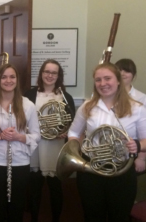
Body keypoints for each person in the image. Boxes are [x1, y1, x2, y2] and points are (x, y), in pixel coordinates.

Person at [68, 63, 146, 222]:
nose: (103, 84)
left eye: (107, 78)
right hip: (91, 170)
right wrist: (76, 149)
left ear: (118, 80)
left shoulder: (137, 108)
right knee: (92, 215)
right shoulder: (87, 106)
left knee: (119, 216)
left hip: (122, 171)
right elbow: (74, 132)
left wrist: (137, 145)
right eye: (98, 80)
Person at [0, 63, 40, 222]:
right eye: (4, 77)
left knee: (17, 205)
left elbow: (36, 135)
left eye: (12, 76)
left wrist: (19, 137)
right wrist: (0, 136)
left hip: (20, 162)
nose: (8, 80)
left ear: (17, 80)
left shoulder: (28, 105)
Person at [24, 59, 75, 222]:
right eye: (47, 72)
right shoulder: (30, 94)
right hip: (36, 146)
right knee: (34, 187)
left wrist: (65, 131)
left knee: (55, 187)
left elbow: (72, 121)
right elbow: (22, 119)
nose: (50, 75)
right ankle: (33, 218)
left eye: (54, 73)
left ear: (59, 75)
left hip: (56, 146)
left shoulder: (65, 96)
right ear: (41, 73)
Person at [115, 58, 146, 173]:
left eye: (127, 71)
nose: (122, 73)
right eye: (119, 70)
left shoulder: (142, 98)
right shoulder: (107, 94)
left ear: (133, 75)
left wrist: (141, 158)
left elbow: (144, 133)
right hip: (111, 149)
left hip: (134, 149)